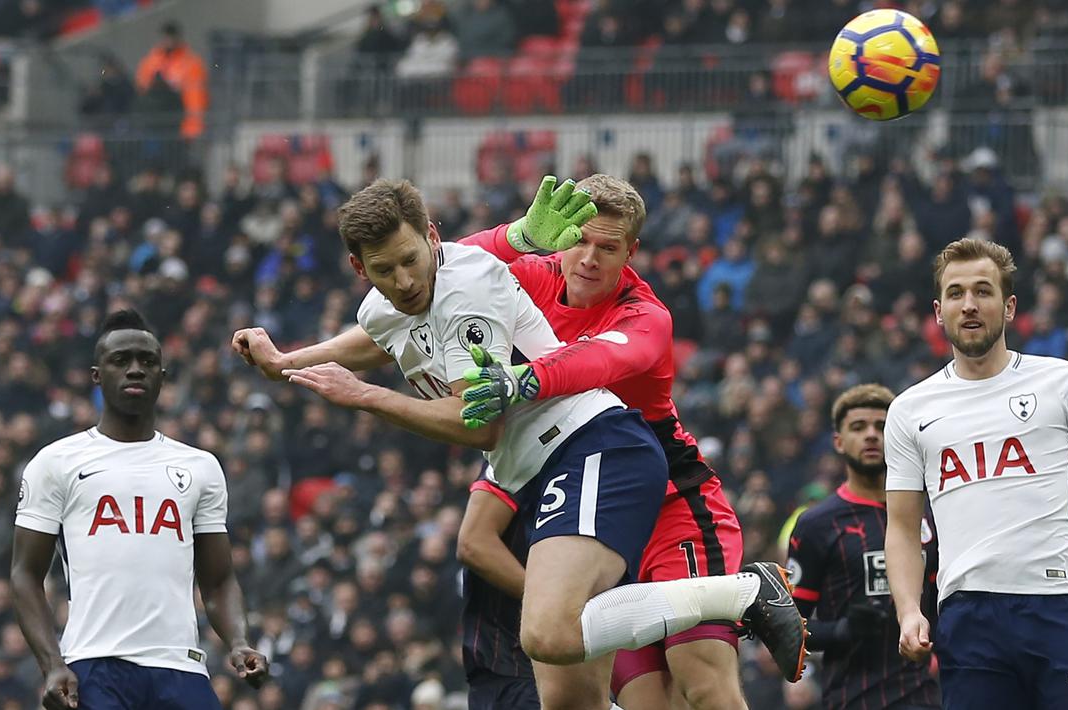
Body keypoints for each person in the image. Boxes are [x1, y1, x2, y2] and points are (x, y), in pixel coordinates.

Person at [230, 179, 805, 710]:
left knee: (584, 642)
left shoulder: (483, 292)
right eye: (386, 269)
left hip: (604, 452)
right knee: (567, 693)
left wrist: (365, 398)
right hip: (542, 468)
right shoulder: (416, 291)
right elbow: (380, 334)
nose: (404, 280)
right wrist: (287, 362)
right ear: (361, 268)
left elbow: (481, 424)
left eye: (411, 261)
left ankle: (746, 592)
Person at [457, 174, 775, 709]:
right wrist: (516, 235)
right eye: (579, 239)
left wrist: (524, 379)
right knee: (637, 701)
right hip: (591, 510)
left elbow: (598, 360)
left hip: (672, 503)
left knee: (701, 680)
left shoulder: (647, 315)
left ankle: (751, 590)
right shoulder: (529, 274)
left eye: (608, 248)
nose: (588, 258)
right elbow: (445, 271)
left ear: (631, 252)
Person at [884, 239, 1068, 709]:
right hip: (967, 617)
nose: (970, 305)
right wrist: (907, 610)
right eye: (957, 293)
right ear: (938, 312)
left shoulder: (1066, 384)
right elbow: (902, 527)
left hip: (1057, 604)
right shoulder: (909, 410)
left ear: (1009, 307)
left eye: (983, 291)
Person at [10, 309, 268, 710]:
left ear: (162, 377)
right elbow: (26, 575)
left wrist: (238, 642)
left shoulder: (200, 467)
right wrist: (51, 665)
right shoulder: (56, 462)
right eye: (121, 361)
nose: (135, 370)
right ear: (97, 375)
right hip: (95, 667)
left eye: (147, 362)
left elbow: (218, 581)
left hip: (181, 668)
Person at [786, 383, 940, 710]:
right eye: (858, 427)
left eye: (882, 427)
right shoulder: (817, 525)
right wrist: (840, 630)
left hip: (927, 696)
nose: (871, 435)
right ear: (838, 442)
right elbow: (786, 627)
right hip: (851, 698)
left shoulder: (930, 514)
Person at [455, 474, 539, 709]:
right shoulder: (520, 455)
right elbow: (474, 545)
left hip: (541, 668)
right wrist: (548, 605)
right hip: (512, 666)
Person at [134, 23, 209, 139]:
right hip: (154, 121)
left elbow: (196, 97)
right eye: (166, 36)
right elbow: (142, 87)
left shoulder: (191, 62)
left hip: (181, 120)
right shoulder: (151, 62)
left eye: (171, 36)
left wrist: (194, 127)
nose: (169, 40)